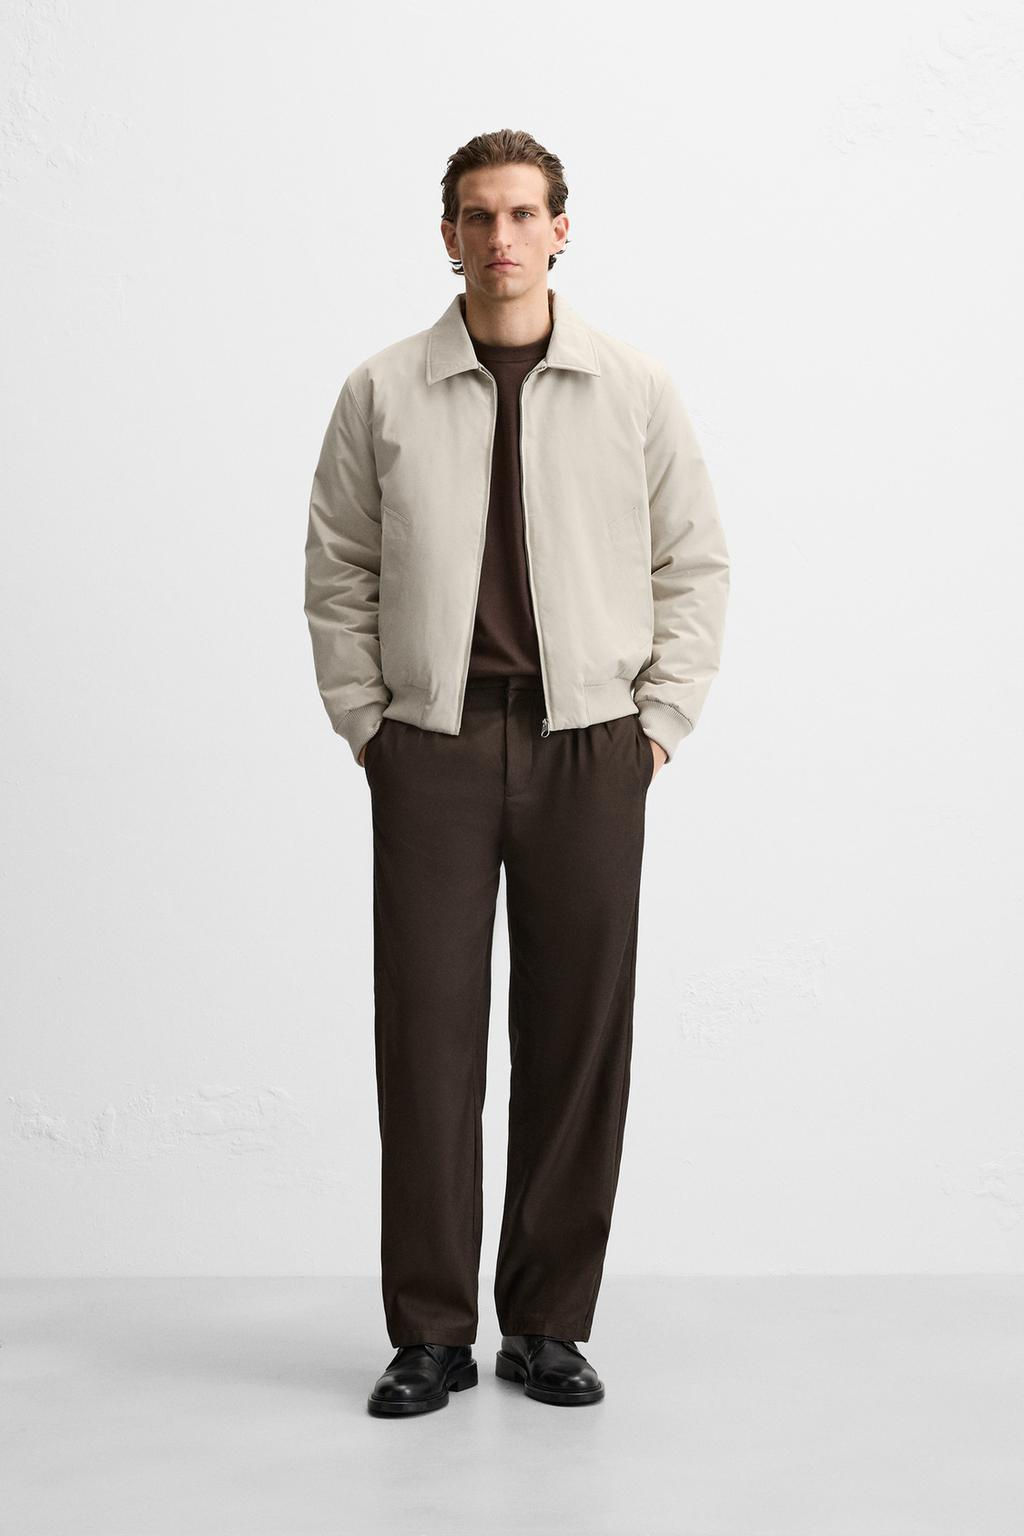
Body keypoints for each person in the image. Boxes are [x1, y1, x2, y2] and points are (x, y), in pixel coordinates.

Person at [304, 129, 730, 1417]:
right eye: (478, 217)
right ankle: (429, 1333)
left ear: (560, 230)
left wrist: (658, 723)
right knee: (427, 1037)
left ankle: (548, 1324)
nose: (501, 238)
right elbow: (340, 566)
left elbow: (693, 562)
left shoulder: (632, 387)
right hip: (432, 746)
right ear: (449, 236)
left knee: (576, 1038)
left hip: (591, 744)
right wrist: (370, 725)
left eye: (523, 214)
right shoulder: (383, 390)